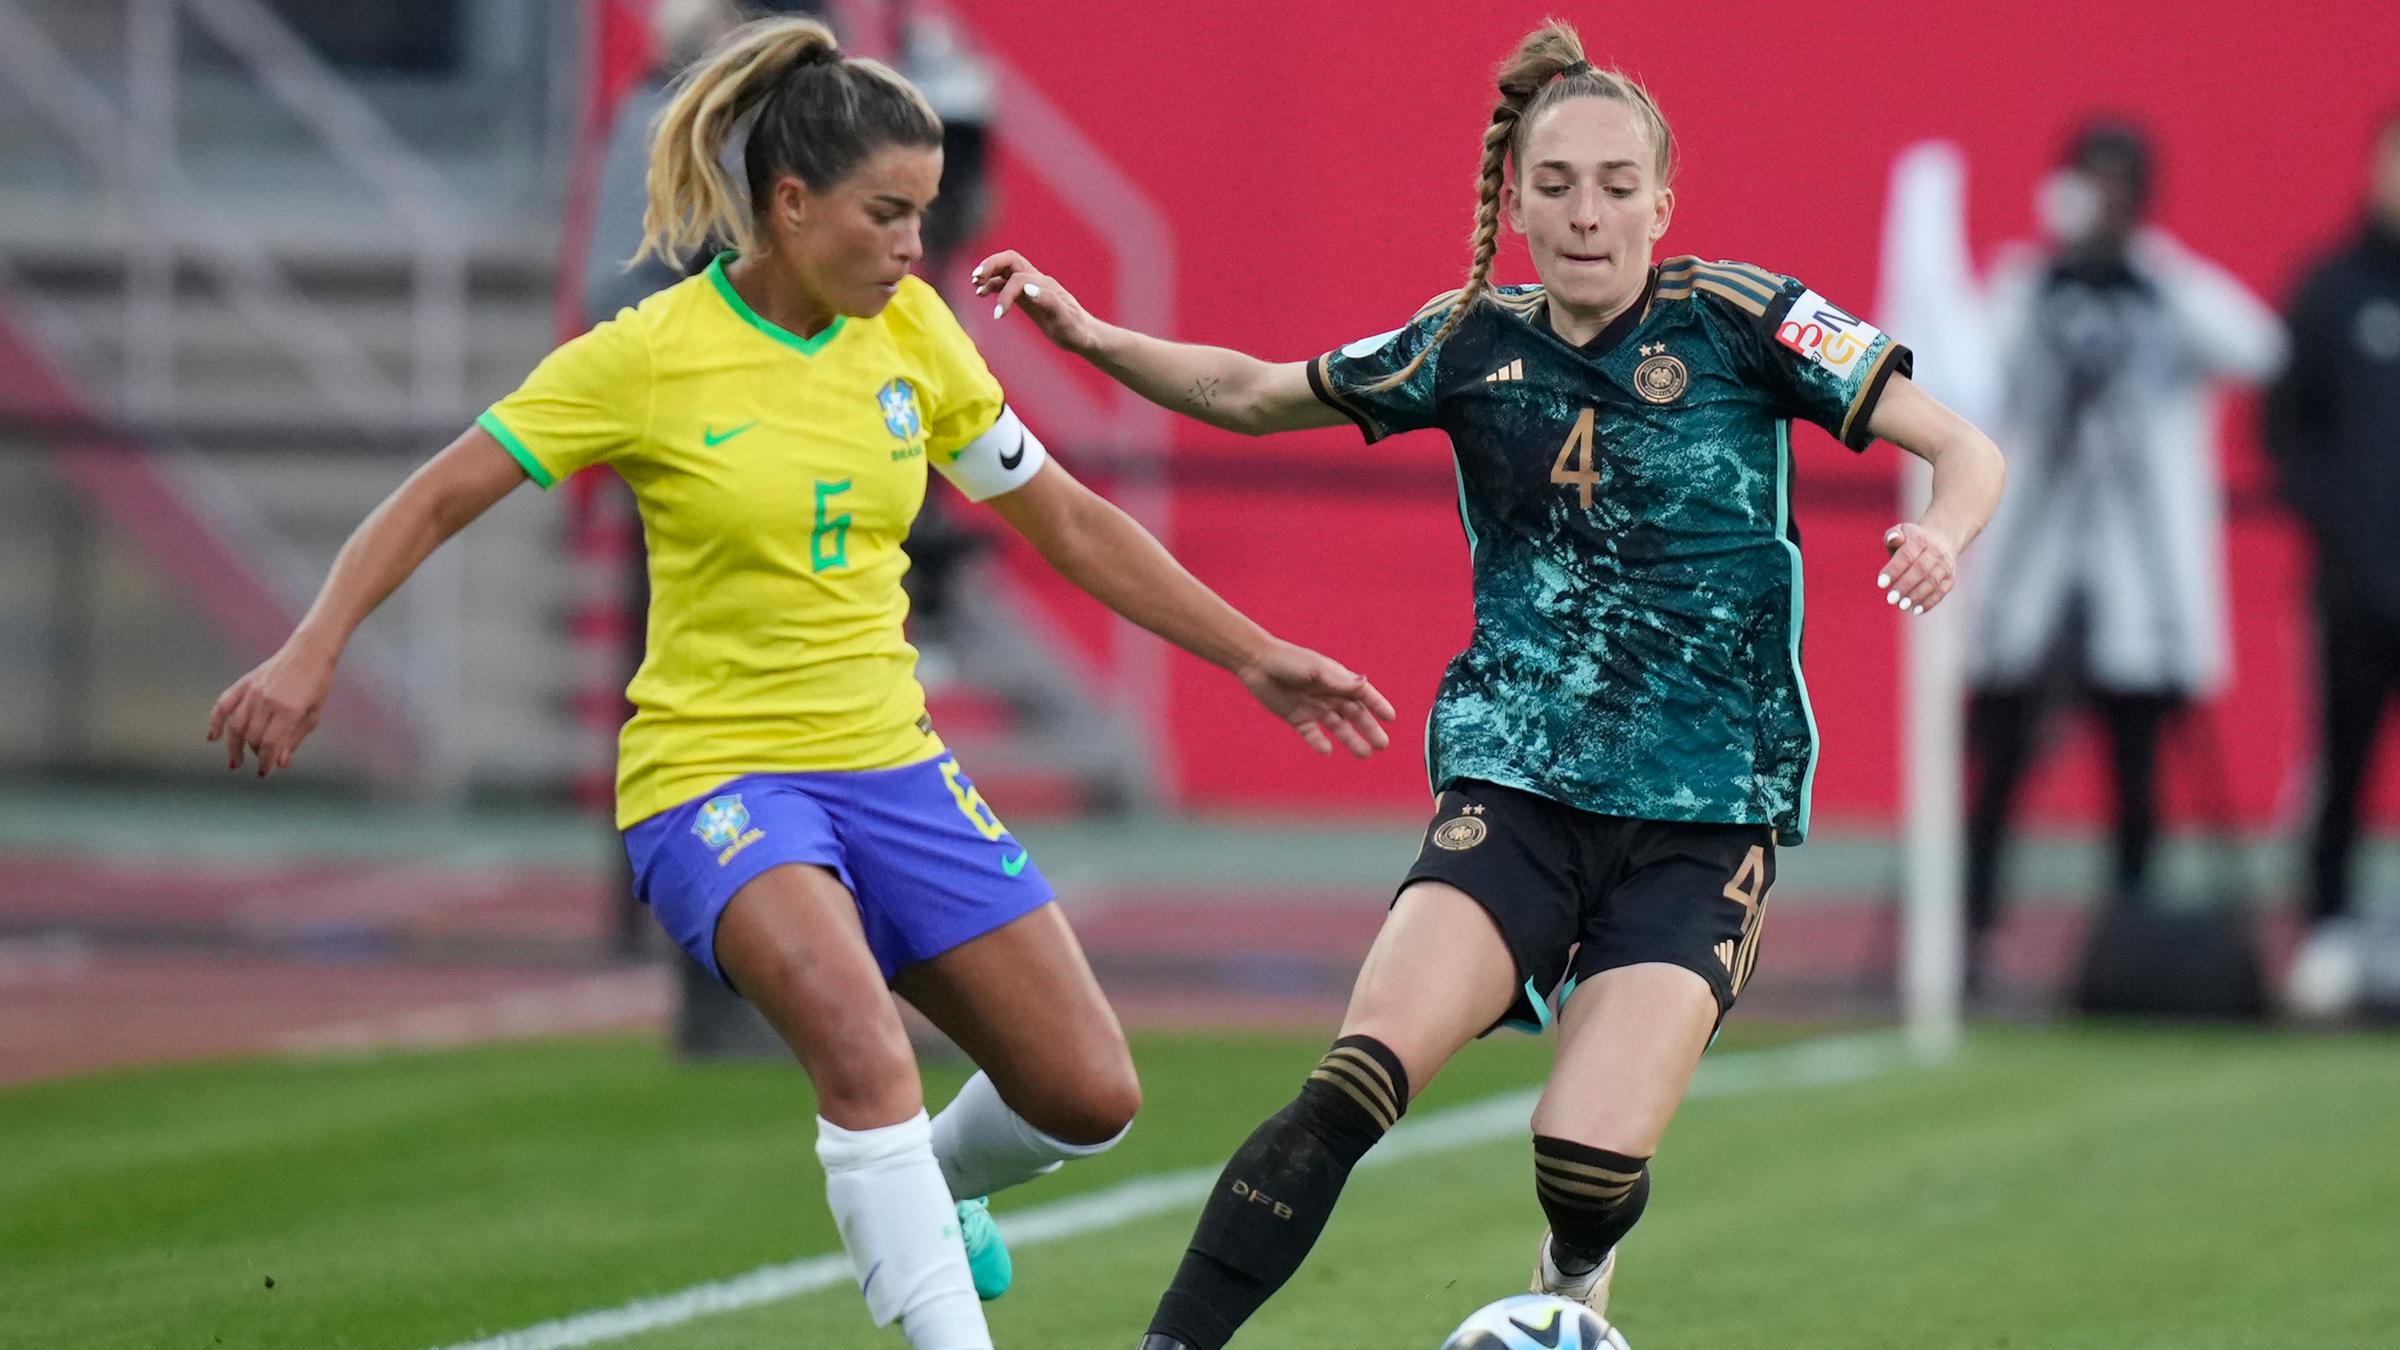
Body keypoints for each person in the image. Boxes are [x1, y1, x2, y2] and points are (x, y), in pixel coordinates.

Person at [203, 18, 1396, 1350]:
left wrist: (1252, 650)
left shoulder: (917, 335)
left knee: (1086, 1092)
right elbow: (438, 495)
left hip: (891, 763)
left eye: (925, 215)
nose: (913, 246)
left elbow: (1063, 519)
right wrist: (313, 646)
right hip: (716, 778)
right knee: (869, 1059)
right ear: (788, 203)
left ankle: (929, 1192)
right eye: (887, 215)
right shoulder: (649, 354)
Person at [973, 20, 2004, 1348]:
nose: (1589, 213)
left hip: (1702, 818)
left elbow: (1965, 446)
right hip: (1515, 788)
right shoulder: (1467, 345)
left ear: (1663, 201)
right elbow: (1243, 391)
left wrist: (1943, 528)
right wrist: (1089, 332)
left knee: (1583, 1163)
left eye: (1617, 184)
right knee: (1354, 1076)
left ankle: (1574, 1270)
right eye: (1559, 184)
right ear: (1514, 203)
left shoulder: (1748, 319)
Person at [1960, 121, 2284, 986]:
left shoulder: (2166, 289)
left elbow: (2258, 347)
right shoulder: (2029, 288)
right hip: (2040, 567)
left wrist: (2145, 275)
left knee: (2137, 771)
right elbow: (1969, 368)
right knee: (1998, 761)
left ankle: (2125, 942)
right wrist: (2051, 288)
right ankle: (1970, 935)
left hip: (2139, 586)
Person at [2265, 105, 2400, 1016]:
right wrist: (2346, 531)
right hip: (2355, 589)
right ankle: (2325, 942)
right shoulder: (2331, 291)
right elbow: (2286, 432)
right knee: (2340, 771)